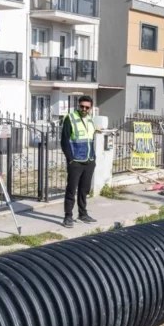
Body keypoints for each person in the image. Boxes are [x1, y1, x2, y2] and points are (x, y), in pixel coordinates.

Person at [61, 95, 97, 228]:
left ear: (90, 108)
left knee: (84, 189)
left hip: (89, 160)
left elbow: (90, 140)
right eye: (82, 106)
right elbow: (64, 141)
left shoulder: (90, 120)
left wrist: (94, 158)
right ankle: (68, 216)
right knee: (71, 189)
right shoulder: (70, 118)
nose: (84, 109)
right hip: (75, 160)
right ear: (78, 106)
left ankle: (82, 213)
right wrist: (70, 159)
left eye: (87, 107)